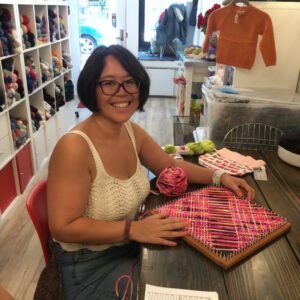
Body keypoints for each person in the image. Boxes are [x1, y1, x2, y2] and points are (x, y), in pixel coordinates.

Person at [47, 44, 255, 299]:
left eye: (129, 82)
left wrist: (219, 177)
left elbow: (172, 165)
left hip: (130, 246)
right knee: (187, 286)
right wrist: (132, 230)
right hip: (89, 268)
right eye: (109, 83)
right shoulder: (74, 147)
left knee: (200, 268)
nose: (121, 92)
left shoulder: (130, 131)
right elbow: (63, 227)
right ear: (92, 88)